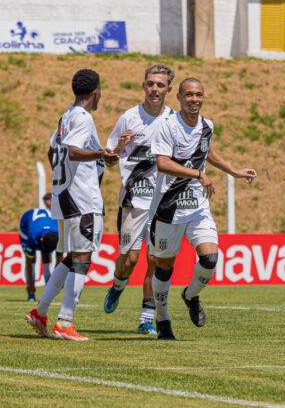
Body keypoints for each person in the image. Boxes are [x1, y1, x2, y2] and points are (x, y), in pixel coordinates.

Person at [150, 78, 257, 340]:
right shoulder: (167, 125)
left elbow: (206, 151)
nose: (194, 99)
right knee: (164, 266)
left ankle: (190, 295)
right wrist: (199, 174)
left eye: (198, 95)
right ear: (179, 97)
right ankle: (162, 318)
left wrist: (233, 171)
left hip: (197, 207)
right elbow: (162, 163)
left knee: (210, 259)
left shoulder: (207, 126)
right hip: (168, 208)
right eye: (189, 95)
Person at [26, 69, 118, 341]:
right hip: (82, 199)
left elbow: (52, 150)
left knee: (72, 257)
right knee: (82, 259)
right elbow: (73, 150)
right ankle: (65, 322)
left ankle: (40, 312)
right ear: (96, 92)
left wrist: (62, 175)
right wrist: (101, 154)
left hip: (65, 196)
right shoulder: (83, 117)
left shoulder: (65, 116)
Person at [103, 64, 175, 336]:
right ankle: (117, 285)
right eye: (150, 84)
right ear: (143, 86)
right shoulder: (129, 117)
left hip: (163, 201)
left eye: (160, 85)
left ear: (169, 89)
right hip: (134, 199)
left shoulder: (174, 120)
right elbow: (109, 158)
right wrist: (120, 147)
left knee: (155, 259)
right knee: (129, 260)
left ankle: (146, 319)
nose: (155, 89)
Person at [19, 194, 59, 301]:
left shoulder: (59, 234)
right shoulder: (31, 237)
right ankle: (31, 294)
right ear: (41, 240)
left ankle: (49, 292)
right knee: (32, 260)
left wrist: (56, 284)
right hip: (26, 225)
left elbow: (59, 262)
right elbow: (28, 262)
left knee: (46, 258)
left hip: (44, 227)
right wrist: (31, 287)